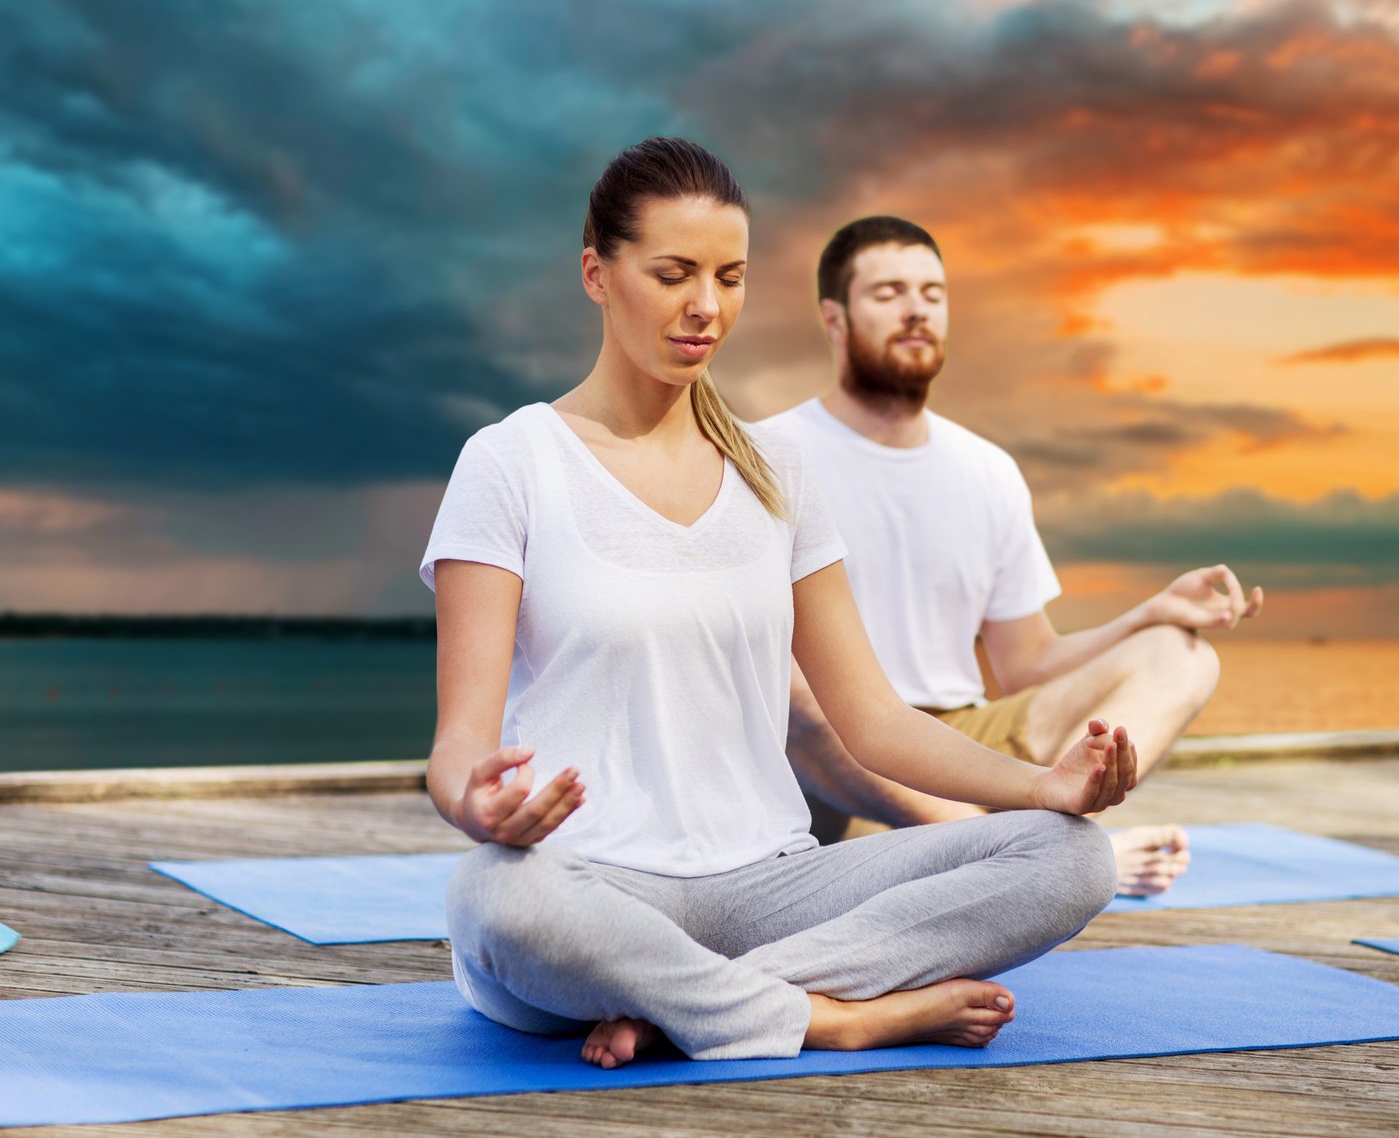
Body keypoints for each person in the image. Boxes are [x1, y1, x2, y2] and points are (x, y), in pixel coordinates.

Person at [418, 139, 1135, 1070]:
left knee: (1072, 856)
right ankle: (833, 1016)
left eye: (729, 276)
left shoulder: (777, 471)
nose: (705, 308)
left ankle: (692, 1008)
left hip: (771, 886)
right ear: (597, 274)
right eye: (672, 274)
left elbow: (873, 720)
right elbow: (457, 751)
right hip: (589, 889)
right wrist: (479, 810)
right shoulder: (510, 462)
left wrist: (1044, 789)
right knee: (496, 900)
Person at [755, 216, 1264, 896]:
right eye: (888, 293)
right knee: (792, 693)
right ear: (834, 318)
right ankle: (1020, 864)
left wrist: (1150, 612)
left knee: (1183, 653)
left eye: (932, 294)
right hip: (832, 754)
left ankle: (1007, 850)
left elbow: (1025, 662)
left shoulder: (985, 470)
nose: (916, 309)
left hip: (959, 742)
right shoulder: (767, 454)